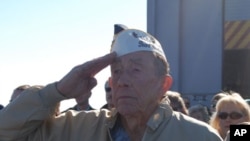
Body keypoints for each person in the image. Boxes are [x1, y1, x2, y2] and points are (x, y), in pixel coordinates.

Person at [0, 24, 222, 141]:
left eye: (135, 69)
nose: (122, 81)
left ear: (163, 84)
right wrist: (56, 92)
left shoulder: (199, 137)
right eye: (116, 71)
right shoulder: (77, 128)